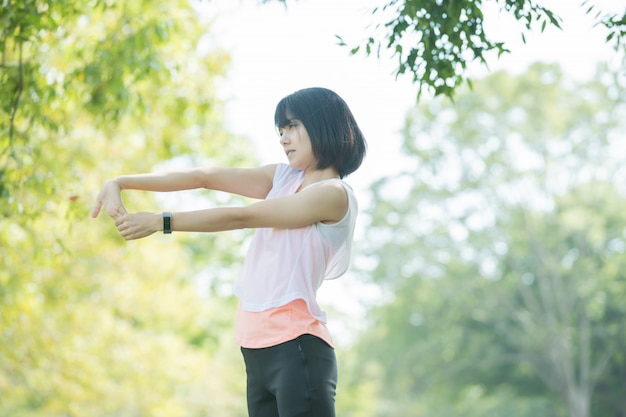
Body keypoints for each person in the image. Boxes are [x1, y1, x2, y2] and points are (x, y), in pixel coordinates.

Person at [91, 87, 367, 417]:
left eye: (292, 126)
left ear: (324, 125)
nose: (283, 138)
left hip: (298, 349)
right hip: (255, 350)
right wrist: (120, 182)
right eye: (280, 130)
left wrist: (160, 221)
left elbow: (243, 216)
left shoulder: (333, 194)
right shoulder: (280, 177)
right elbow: (203, 177)